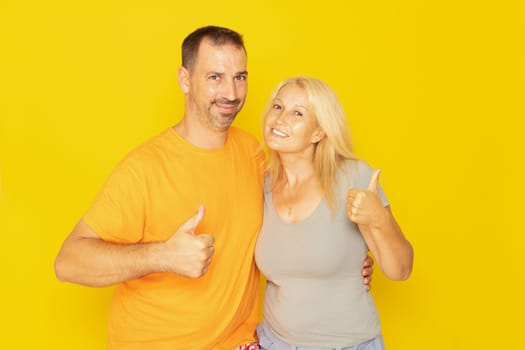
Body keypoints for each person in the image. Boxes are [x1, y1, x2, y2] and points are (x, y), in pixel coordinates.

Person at [54, 26, 374, 350]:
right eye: (215, 77)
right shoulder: (144, 169)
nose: (231, 93)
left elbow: (301, 212)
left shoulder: (255, 153)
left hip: (239, 343)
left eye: (240, 77)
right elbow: (68, 261)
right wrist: (161, 255)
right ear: (184, 80)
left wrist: (343, 262)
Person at [254, 76, 414, 350]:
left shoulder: (353, 176)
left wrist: (379, 218)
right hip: (273, 342)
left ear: (318, 133)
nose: (281, 119)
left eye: (298, 114)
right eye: (278, 107)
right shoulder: (262, 184)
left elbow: (401, 269)